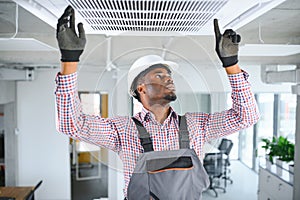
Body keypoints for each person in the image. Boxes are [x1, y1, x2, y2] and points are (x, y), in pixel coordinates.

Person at [55, 6, 260, 200]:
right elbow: (71, 124)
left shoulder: (196, 125)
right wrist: (69, 60)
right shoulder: (123, 130)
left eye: (169, 75)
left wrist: (231, 65)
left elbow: (246, 117)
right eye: (159, 75)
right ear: (141, 88)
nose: (169, 79)